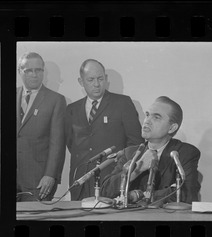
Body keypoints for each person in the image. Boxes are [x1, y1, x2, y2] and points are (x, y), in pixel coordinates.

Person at [65, 59, 144, 200]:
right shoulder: (71, 109)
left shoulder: (123, 103)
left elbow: (135, 144)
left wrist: (123, 172)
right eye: (90, 80)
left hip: (112, 179)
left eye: (100, 79)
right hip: (80, 181)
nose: (96, 84)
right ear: (80, 81)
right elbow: (72, 144)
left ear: (106, 79)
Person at [100, 96, 201, 205]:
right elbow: (105, 192)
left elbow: (187, 194)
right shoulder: (129, 153)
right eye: (147, 115)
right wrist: (138, 168)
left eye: (156, 117)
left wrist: (138, 196)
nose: (147, 121)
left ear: (172, 128)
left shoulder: (184, 153)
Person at [17, 52, 67, 201]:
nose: (34, 75)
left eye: (38, 70)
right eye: (28, 70)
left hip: (38, 180)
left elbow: (57, 143)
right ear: (19, 71)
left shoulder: (56, 100)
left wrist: (50, 175)